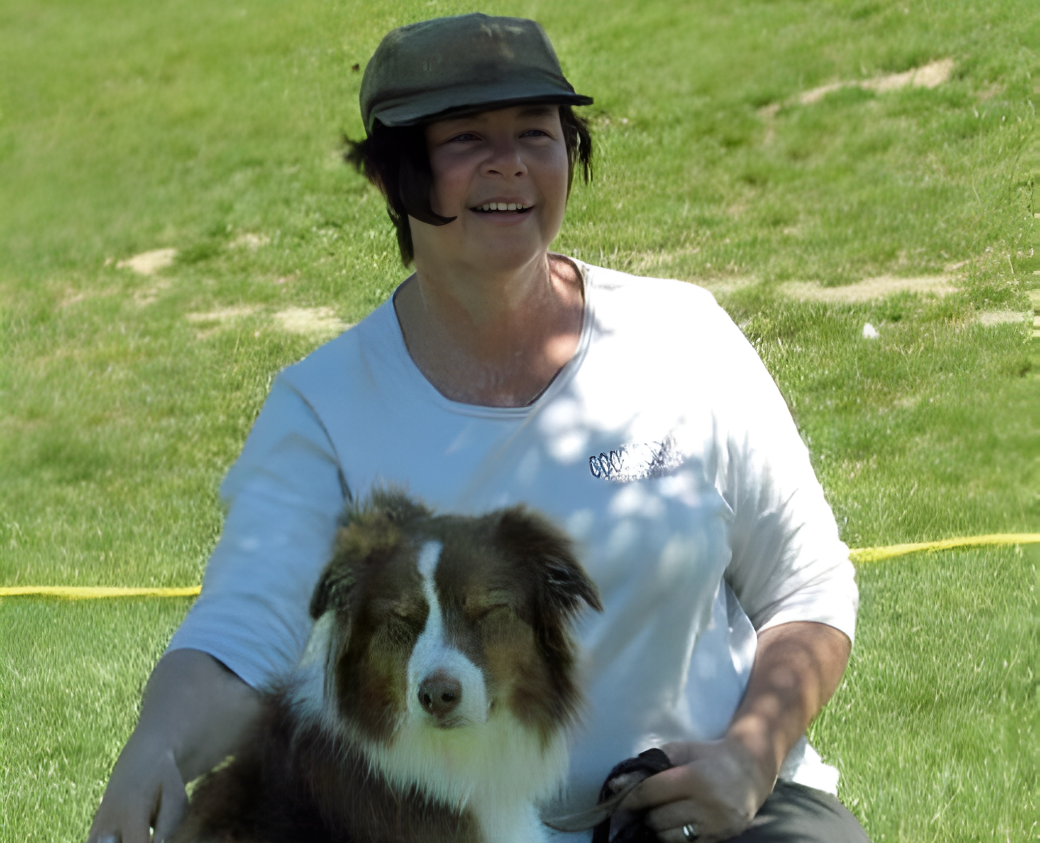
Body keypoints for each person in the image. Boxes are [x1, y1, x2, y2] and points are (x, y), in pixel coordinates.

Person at [87, 13, 868, 843]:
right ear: (392, 179)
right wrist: (154, 747)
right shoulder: (322, 405)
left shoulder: (685, 335)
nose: (511, 163)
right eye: (465, 138)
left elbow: (808, 588)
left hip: (705, 811)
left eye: (538, 132)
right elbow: (242, 640)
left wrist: (750, 756)